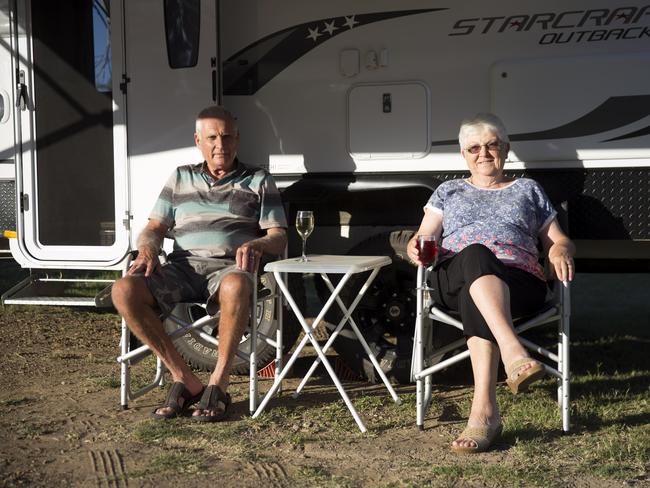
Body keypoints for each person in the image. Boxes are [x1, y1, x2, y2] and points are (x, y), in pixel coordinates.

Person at [406, 113, 575, 453]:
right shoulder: (447, 191)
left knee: (478, 286)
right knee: (476, 255)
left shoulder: (528, 190)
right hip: (454, 274)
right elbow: (424, 237)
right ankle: (513, 352)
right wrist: (415, 246)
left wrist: (559, 250)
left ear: (506, 149)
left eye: (491, 145)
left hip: (518, 281)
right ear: (463, 155)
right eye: (473, 148)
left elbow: (559, 239)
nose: (483, 153)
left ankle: (484, 413)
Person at [112, 106, 288, 421]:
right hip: (182, 269)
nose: (221, 145)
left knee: (237, 283)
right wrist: (148, 249)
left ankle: (219, 383)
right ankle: (184, 378)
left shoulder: (258, 179)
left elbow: (278, 236)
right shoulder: (180, 177)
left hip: (229, 269)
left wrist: (256, 243)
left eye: (227, 136)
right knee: (124, 290)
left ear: (237, 138)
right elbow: (154, 228)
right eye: (212, 137)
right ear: (198, 141)